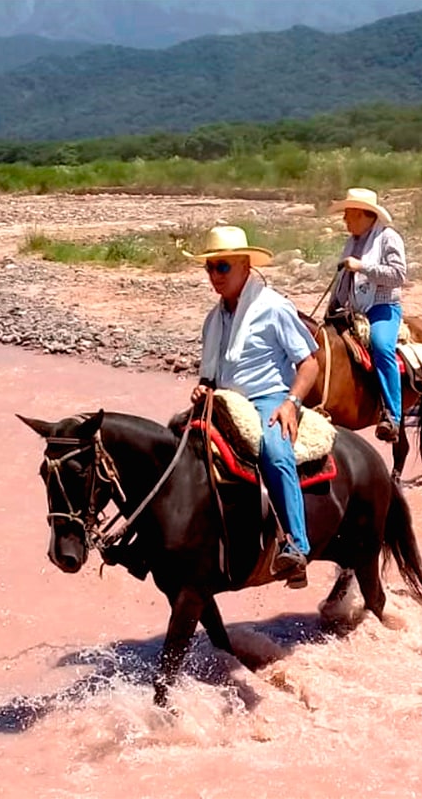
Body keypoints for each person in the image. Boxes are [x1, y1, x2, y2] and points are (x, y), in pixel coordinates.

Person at [189, 226, 320, 583]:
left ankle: (296, 545)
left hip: (268, 398)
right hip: (224, 401)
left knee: (275, 451)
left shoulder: (274, 308)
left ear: (245, 266)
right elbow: (210, 375)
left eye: (223, 267)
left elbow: (309, 362)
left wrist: (292, 403)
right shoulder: (213, 320)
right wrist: (203, 389)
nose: (214, 276)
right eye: (210, 268)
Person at [326, 187, 407, 443]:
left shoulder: (388, 238)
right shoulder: (352, 241)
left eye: (348, 213)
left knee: (382, 347)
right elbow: (342, 281)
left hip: (382, 307)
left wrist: (362, 266)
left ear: (364, 214)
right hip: (353, 309)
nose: (344, 219)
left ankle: (392, 415)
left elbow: (399, 275)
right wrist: (332, 307)